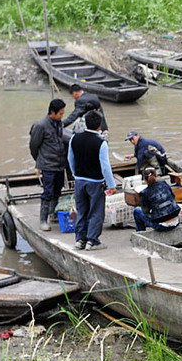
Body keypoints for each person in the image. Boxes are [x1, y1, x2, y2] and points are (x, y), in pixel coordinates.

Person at [67, 111, 117, 251]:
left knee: (82, 211)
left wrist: (75, 174)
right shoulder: (101, 143)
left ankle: (80, 240)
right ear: (99, 126)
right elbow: (105, 167)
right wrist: (112, 185)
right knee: (95, 211)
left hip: (79, 181)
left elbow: (70, 159)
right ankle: (92, 241)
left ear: (86, 124)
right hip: (95, 182)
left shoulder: (74, 138)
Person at [29, 98, 67, 231]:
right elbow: (34, 146)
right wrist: (39, 163)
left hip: (59, 164)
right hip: (47, 165)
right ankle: (43, 220)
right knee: (47, 192)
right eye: (61, 113)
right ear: (53, 112)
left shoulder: (59, 123)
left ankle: (53, 214)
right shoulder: (40, 125)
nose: (62, 115)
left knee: (57, 190)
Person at [133, 168, 181, 232]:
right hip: (176, 221)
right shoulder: (164, 183)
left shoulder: (144, 192)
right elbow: (173, 196)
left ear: (144, 179)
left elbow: (145, 211)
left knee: (137, 211)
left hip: (162, 226)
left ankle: (140, 233)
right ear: (156, 176)